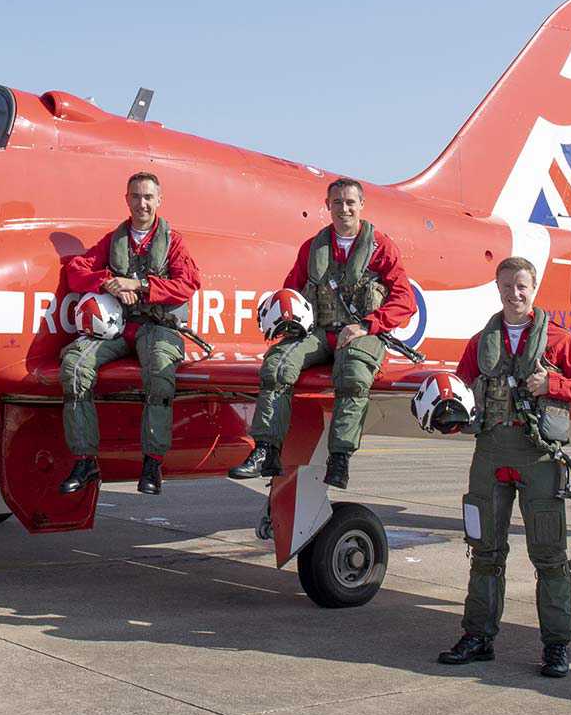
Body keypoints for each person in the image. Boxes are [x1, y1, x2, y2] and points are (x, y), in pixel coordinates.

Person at [437, 258, 571, 677]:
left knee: (550, 556)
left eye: (522, 286)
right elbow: (459, 395)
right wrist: (445, 414)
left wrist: (553, 384)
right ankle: (477, 637)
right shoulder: (479, 344)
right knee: (484, 553)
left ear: (533, 289)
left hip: (539, 458)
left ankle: (556, 645)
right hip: (490, 454)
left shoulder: (559, 342)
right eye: (507, 286)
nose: (514, 294)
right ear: (497, 289)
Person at [230, 178, 413, 490]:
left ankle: (339, 457)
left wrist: (367, 326)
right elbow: (291, 290)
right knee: (277, 365)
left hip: (362, 332)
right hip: (319, 331)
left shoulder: (381, 247)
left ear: (361, 205)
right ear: (328, 206)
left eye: (350, 202)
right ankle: (266, 450)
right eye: (338, 202)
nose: (344, 208)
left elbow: (404, 301)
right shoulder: (312, 248)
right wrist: (283, 318)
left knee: (354, 374)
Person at [57, 171, 202, 496]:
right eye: (136, 197)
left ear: (159, 200)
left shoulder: (173, 242)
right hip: (120, 329)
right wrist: (107, 282)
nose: (142, 204)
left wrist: (140, 285)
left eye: (148, 197)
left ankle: (152, 462)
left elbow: (188, 285)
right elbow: (76, 271)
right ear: (127, 199)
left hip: (160, 328)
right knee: (75, 366)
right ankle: (85, 460)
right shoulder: (114, 240)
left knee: (159, 373)